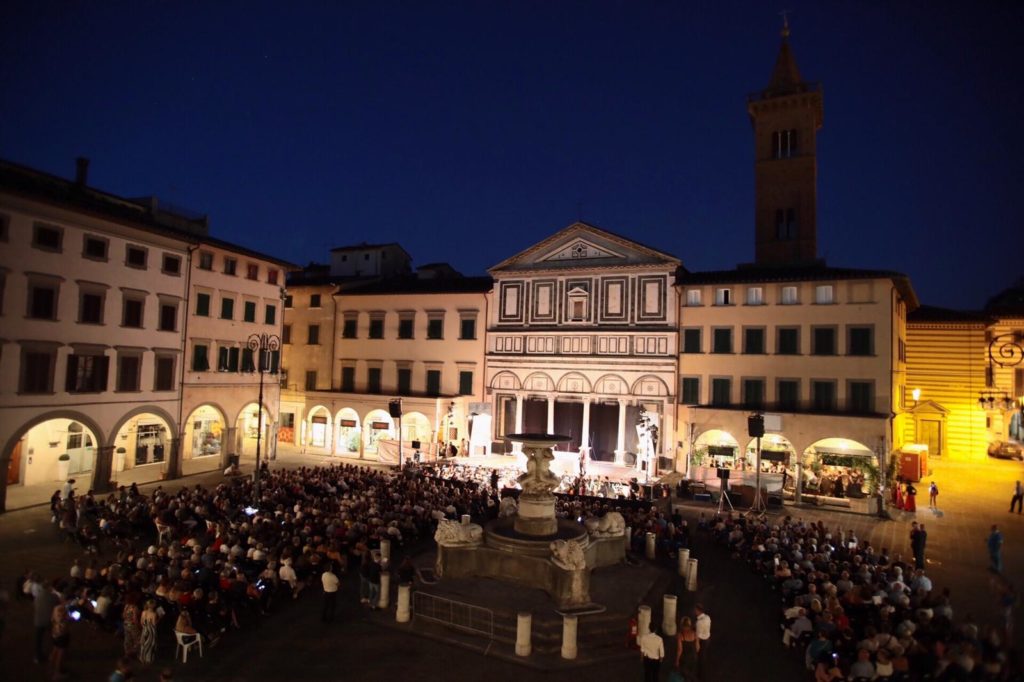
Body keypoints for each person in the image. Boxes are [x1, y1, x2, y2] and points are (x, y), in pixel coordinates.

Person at [675, 616, 699, 680]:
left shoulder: (680, 635)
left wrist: (677, 660)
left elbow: (679, 649)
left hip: (685, 659)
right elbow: (697, 647)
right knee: (691, 674)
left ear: (682, 625)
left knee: (684, 676)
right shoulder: (694, 633)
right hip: (693, 658)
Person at [139, 599, 159, 664]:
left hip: (144, 629)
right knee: (150, 645)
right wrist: (160, 618)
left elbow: (141, 622)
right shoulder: (154, 614)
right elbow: (154, 624)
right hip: (151, 631)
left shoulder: (143, 612)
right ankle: (148, 659)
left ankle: (142, 658)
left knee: (143, 644)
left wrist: (144, 627)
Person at [694, 604, 711, 679]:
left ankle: (700, 675)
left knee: (700, 659)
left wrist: (697, 646)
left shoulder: (699, 622)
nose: (694, 611)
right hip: (707, 639)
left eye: (695, 610)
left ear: (698, 611)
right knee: (703, 657)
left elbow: (698, 636)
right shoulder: (707, 617)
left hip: (702, 641)